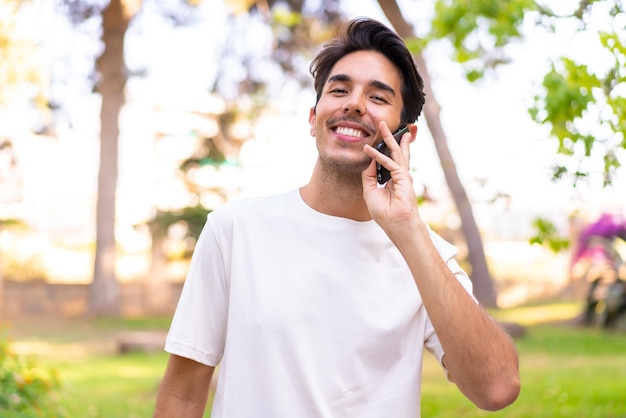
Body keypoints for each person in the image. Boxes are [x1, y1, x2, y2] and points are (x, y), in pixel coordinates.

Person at [154, 17, 520, 418]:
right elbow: (183, 396)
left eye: (378, 98)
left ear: (404, 137)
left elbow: (497, 389)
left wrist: (408, 229)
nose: (354, 103)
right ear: (314, 119)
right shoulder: (235, 229)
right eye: (340, 90)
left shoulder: (424, 252)